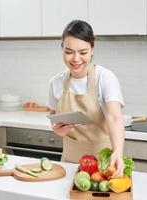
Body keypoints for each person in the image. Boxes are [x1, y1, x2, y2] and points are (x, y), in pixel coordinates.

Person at [48, 20, 125, 177]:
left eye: (83, 52)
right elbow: (54, 119)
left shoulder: (104, 78)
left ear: (92, 51)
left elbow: (115, 117)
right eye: (69, 52)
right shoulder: (56, 82)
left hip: (103, 164)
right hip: (69, 164)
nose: (76, 59)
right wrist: (58, 129)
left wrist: (118, 151)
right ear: (62, 49)